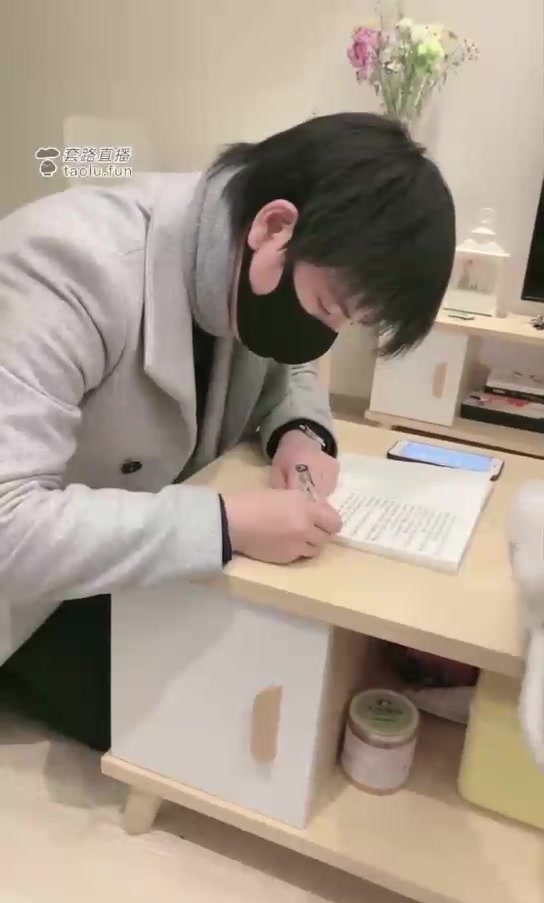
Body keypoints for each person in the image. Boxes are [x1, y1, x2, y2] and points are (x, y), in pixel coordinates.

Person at [0, 112, 455, 750]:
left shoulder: (235, 248)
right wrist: (226, 522)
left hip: (122, 541)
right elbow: (10, 524)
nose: (325, 332)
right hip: (34, 584)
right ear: (274, 226)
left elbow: (289, 363)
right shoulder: (63, 270)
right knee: (218, 726)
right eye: (329, 307)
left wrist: (300, 432)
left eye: (346, 322)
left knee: (303, 663)